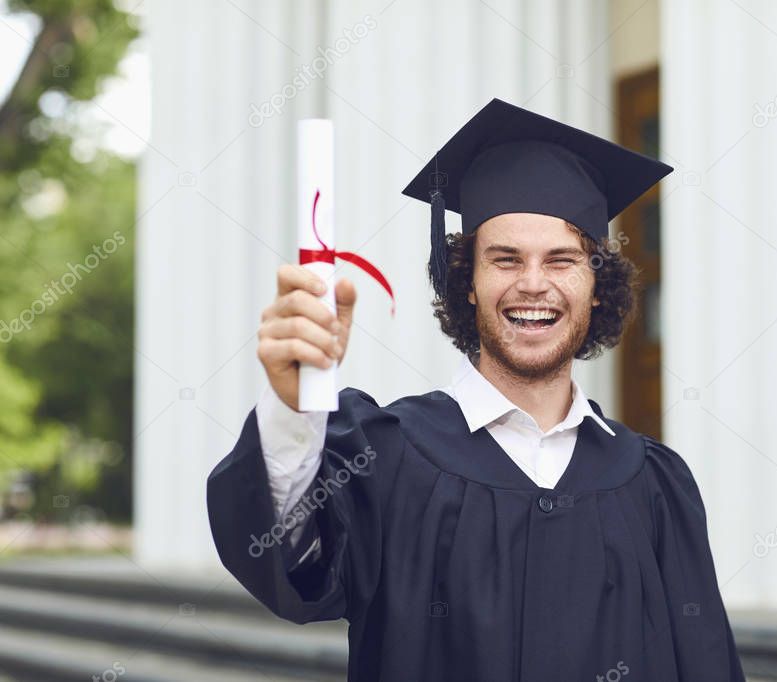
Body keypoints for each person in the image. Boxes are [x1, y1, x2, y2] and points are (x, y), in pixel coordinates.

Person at [207, 98, 745, 681]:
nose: (534, 284)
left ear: (596, 286)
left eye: (562, 260)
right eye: (506, 259)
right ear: (467, 281)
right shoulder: (384, 455)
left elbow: (705, 661)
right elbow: (289, 564)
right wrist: (294, 405)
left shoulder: (654, 485)